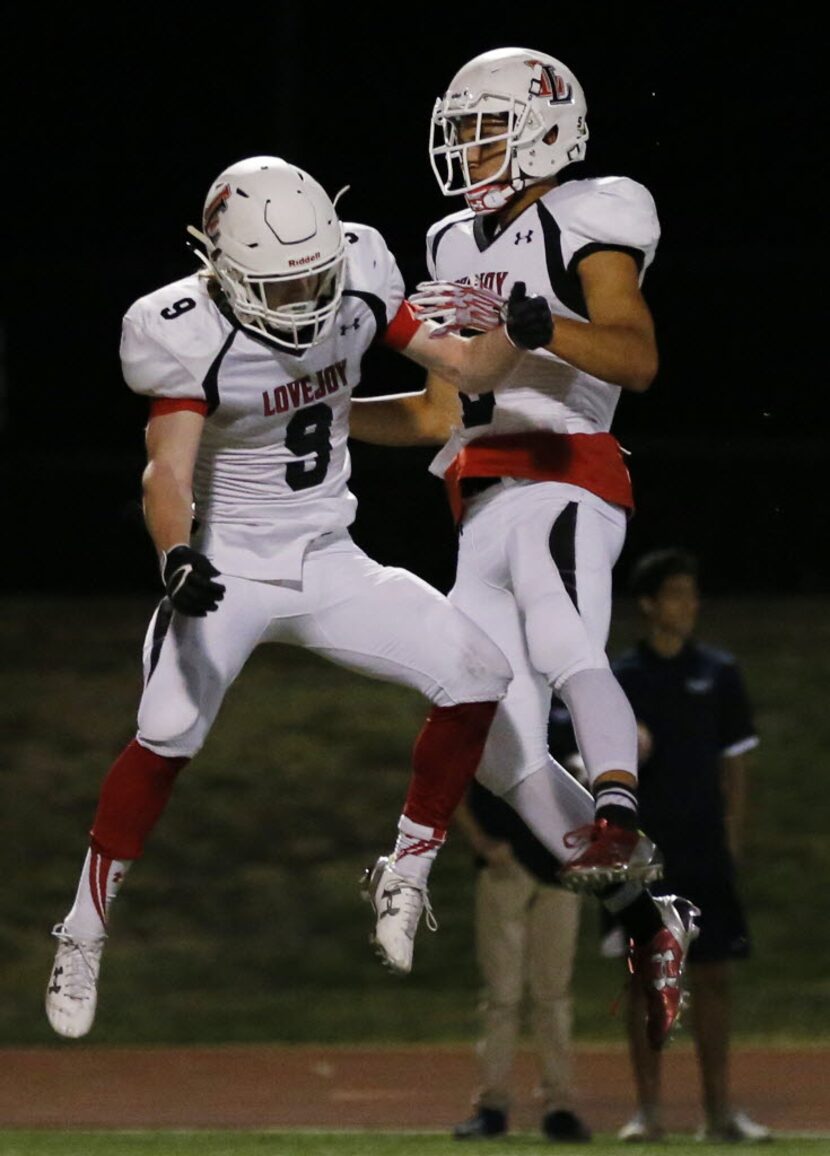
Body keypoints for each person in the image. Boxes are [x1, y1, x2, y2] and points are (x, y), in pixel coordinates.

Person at [43, 153, 564, 1039]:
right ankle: (82, 933)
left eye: (315, 275)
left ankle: (406, 866)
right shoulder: (182, 330)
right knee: (166, 732)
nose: (308, 300)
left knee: (479, 671)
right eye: (283, 285)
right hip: (229, 567)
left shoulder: (358, 276)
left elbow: (466, 375)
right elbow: (165, 472)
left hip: (329, 558)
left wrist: (520, 332)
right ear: (223, 268)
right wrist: (176, 555)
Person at [350, 47, 698, 1050]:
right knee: (490, 734)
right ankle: (643, 912)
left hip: (564, 466)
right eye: (459, 131)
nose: (466, 149)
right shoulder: (451, 238)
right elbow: (431, 414)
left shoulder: (592, 213)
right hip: (481, 490)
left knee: (555, 635)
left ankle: (617, 815)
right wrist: (333, 421)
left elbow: (634, 354)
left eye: (484, 128)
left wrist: (538, 323)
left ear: (547, 130)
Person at [550, 548, 770, 1143]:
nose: (687, 605)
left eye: (692, 594)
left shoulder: (718, 673)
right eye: (675, 594)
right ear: (649, 604)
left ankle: (719, 1113)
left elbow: (736, 765)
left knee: (717, 974)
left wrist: (733, 834)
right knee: (647, 975)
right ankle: (648, 1113)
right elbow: (578, 749)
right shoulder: (622, 678)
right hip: (644, 856)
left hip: (704, 849)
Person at [451, 778, 590, 1142]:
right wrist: (481, 841)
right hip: (506, 866)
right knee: (504, 995)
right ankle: (493, 1106)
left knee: (552, 994)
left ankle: (559, 1107)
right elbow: (448, 779)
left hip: (559, 870)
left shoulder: (573, 722)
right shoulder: (487, 721)